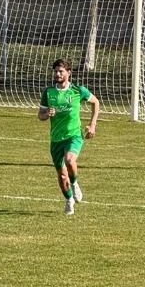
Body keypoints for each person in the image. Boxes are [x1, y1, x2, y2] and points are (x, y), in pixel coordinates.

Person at [38, 59, 100, 215]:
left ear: (68, 73)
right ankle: (69, 200)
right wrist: (47, 113)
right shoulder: (48, 92)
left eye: (61, 71)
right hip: (56, 139)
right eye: (56, 71)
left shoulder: (78, 90)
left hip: (74, 135)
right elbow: (40, 115)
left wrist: (92, 125)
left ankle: (74, 183)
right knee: (61, 175)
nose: (58, 74)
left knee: (70, 159)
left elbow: (95, 102)